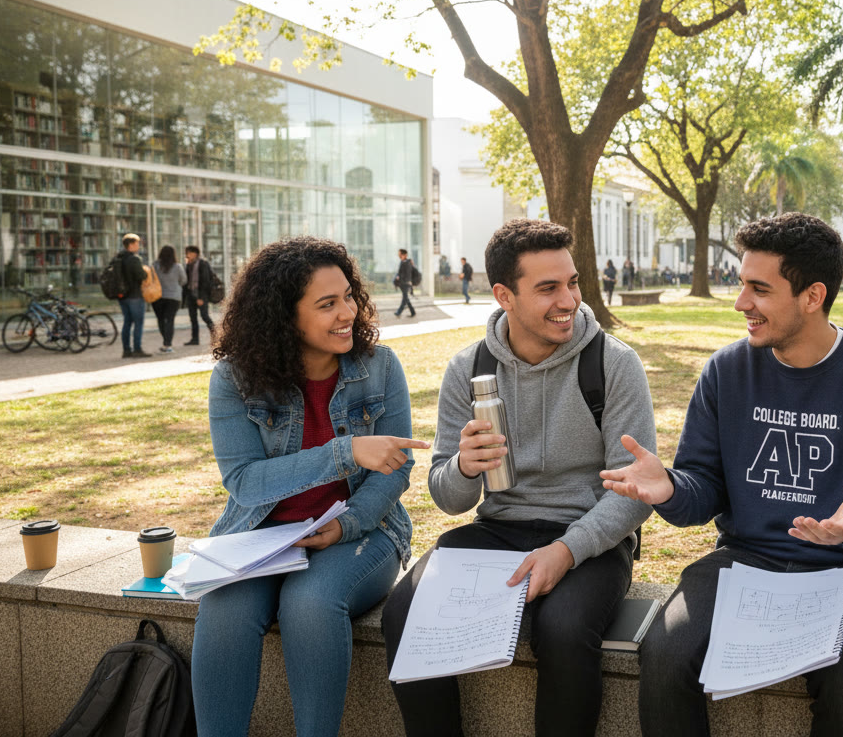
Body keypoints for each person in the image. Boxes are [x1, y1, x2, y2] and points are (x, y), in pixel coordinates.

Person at [602, 212, 843, 737]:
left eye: (760, 289)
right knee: (664, 655)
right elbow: (703, 488)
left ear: (812, 295)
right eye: (742, 285)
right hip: (745, 560)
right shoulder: (726, 371)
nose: (741, 304)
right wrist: (670, 487)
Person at [382, 219, 656, 737]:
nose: (568, 300)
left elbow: (634, 493)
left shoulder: (614, 364)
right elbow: (447, 497)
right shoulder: (468, 368)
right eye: (548, 288)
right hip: (498, 527)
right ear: (504, 295)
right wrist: (464, 466)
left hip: (590, 536)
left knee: (564, 628)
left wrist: (567, 550)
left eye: (571, 282)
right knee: (406, 610)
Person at [193, 237, 428, 737]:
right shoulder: (234, 379)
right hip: (261, 536)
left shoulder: (379, 367)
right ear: (283, 317)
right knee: (223, 610)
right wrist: (346, 452)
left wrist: (346, 526)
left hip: (362, 530)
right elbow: (244, 482)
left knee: (310, 605)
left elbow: (398, 470)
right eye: (327, 304)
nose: (347, 312)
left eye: (348, 296)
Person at [115, 233, 151, 358]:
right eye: (137, 243)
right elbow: (142, 276)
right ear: (130, 245)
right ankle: (137, 349)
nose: (139, 246)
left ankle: (126, 350)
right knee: (138, 323)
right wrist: (145, 271)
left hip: (122, 296)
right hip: (135, 295)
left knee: (127, 322)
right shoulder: (134, 259)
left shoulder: (118, 258)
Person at [152, 245, 186, 353]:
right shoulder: (177, 267)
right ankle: (168, 344)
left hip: (158, 297)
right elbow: (184, 280)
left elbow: (151, 279)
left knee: (161, 320)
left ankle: (165, 341)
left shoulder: (155, 265)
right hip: (174, 297)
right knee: (170, 320)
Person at [184, 245, 217, 345]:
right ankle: (195, 339)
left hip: (201, 295)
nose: (187, 255)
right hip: (191, 295)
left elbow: (205, 281)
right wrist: (187, 266)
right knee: (193, 318)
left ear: (195, 253)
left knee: (205, 316)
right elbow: (187, 281)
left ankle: (216, 336)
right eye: (186, 253)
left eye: (189, 253)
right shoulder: (189, 265)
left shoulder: (203, 264)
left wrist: (201, 297)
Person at [395, 248, 416, 318]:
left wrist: (400, 278)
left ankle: (399, 312)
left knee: (405, 298)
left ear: (404, 255)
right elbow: (400, 272)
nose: (399, 255)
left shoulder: (407, 263)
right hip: (403, 283)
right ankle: (412, 312)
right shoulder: (402, 262)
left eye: (400, 254)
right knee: (405, 298)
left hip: (406, 283)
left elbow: (407, 274)